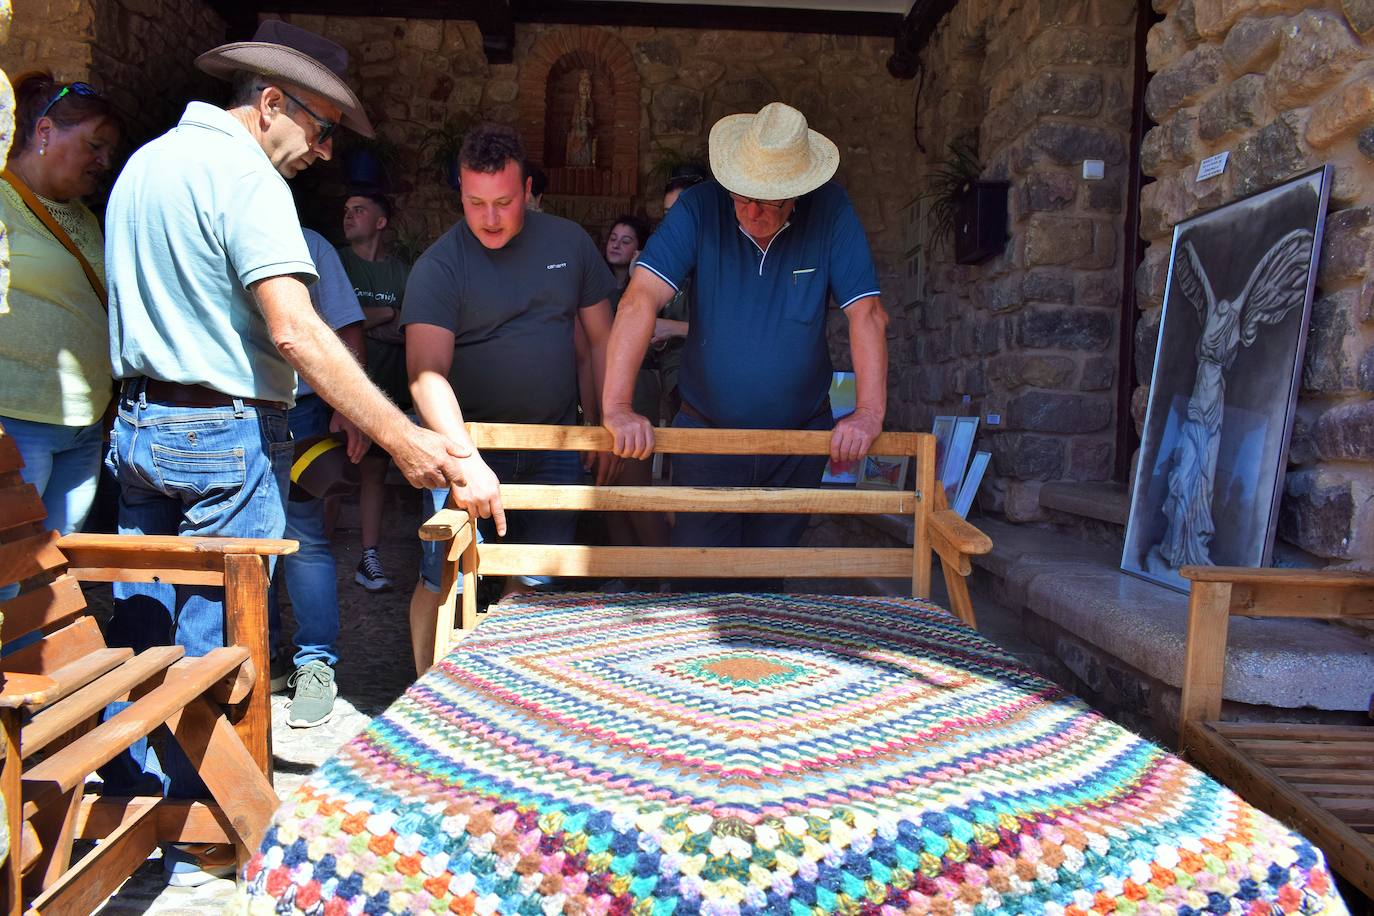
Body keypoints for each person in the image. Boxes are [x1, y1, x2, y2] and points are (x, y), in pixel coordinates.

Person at [99, 20, 467, 883]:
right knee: (219, 641)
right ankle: (201, 830)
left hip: (139, 427)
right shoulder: (246, 177)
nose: (324, 150)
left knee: (143, 623)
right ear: (271, 104)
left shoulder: (144, 166)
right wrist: (399, 434)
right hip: (221, 432)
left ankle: (136, 807)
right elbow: (297, 330)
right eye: (321, 125)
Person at [602, 103, 888, 577]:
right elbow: (638, 302)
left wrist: (868, 414)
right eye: (742, 196)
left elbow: (868, 315)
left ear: (798, 191)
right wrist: (616, 406)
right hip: (706, 435)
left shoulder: (832, 210)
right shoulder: (698, 207)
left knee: (767, 581)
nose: (753, 211)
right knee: (696, 577)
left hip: (796, 441)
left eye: (771, 200)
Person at [404, 122, 617, 674]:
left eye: (503, 202)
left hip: (553, 445)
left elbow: (601, 340)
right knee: (443, 576)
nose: (490, 219)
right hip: (466, 447)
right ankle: (425, 698)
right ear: (460, 193)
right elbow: (426, 375)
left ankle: (517, 696)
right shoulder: (439, 265)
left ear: (527, 190)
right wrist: (464, 460)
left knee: (537, 581)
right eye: (475, 203)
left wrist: (599, 424)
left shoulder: (569, 243)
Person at [0, 75, 120, 540]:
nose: (105, 161)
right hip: (16, 419)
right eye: (95, 145)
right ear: (44, 131)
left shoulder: (87, 219)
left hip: (84, 425)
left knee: (53, 567)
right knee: (9, 570)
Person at [271, 227, 365, 728]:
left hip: (301, 411)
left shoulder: (311, 244)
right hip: (230, 413)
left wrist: (351, 408)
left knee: (303, 537)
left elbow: (348, 328)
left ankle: (314, 665)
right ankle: (259, 657)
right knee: (242, 542)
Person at [337, 187, 409, 592]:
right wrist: (385, 313)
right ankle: (312, 564)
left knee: (374, 474)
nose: (349, 216)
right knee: (324, 478)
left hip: (387, 392)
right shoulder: (338, 262)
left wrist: (362, 319)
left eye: (359, 210)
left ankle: (368, 557)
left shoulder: (400, 271)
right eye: (347, 210)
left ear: (380, 222)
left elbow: (410, 328)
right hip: (340, 393)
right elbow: (328, 319)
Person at [601, 215, 668, 552]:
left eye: (626, 240)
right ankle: (627, 577)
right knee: (608, 487)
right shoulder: (597, 287)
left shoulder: (650, 290)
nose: (616, 243)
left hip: (637, 388)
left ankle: (664, 576)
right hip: (599, 393)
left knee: (633, 485)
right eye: (613, 237)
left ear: (640, 251)